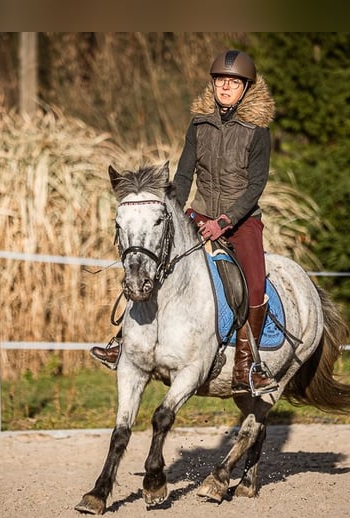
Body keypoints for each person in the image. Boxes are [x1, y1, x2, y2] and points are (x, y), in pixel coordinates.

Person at [90, 49, 277, 396]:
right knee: (151, 261)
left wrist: (226, 221)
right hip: (199, 211)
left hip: (242, 220)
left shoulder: (257, 131)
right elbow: (185, 173)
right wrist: (175, 210)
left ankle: (247, 364)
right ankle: (121, 342)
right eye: (221, 80)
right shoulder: (199, 124)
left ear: (245, 88)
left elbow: (255, 187)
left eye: (233, 82)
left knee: (255, 284)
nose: (225, 86)